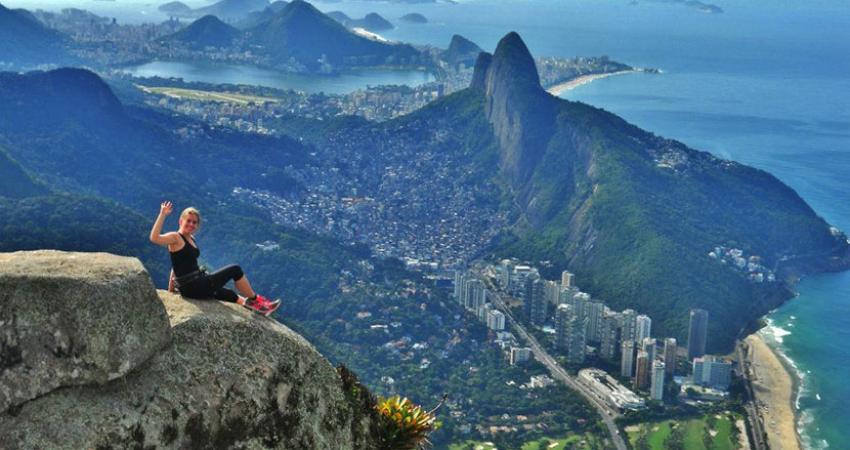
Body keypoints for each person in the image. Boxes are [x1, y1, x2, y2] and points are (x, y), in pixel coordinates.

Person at [150, 201, 280, 316]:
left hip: (195, 284)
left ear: (197, 226)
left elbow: (177, 264)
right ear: (181, 221)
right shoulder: (175, 237)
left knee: (229, 294)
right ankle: (255, 300)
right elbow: (155, 238)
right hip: (194, 286)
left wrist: (171, 288)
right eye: (188, 220)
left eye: (194, 222)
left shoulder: (191, 239)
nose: (191, 224)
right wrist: (163, 214)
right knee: (235, 269)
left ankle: (254, 308)